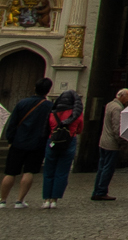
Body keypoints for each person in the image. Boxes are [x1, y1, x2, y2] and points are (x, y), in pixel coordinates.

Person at [0, 76, 54, 208]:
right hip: (37, 143)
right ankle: (19, 201)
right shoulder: (49, 106)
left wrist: (10, 139)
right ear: (48, 91)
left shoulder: (22, 103)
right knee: (29, 172)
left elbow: (12, 123)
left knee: (10, 172)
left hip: (18, 142)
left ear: (34, 88)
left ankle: (2, 200)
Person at [39, 89, 84, 208]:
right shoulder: (76, 113)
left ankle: (46, 199)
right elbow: (79, 129)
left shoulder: (52, 113)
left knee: (49, 171)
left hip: (52, 141)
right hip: (69, 141)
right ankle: (54, 200)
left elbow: (48, 127)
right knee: (62, 172)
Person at [91, 89, 128, 201]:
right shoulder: (117, 109)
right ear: (122, 96)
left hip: (103, 141)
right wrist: (122, 142)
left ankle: (97, 190)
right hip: (111, 144)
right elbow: (116, 128)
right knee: (108, 168)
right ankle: (101, 191)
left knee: (101, 167)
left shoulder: (110, 105)